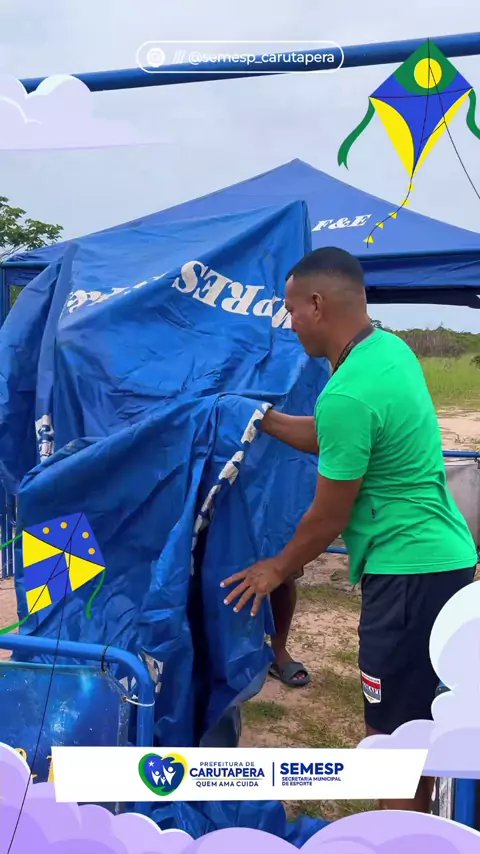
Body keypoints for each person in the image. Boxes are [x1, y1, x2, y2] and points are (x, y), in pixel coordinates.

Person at [221, 246, 478, 813]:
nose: (290, 323)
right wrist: (263, 417)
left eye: (292, 310)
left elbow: (329, 517)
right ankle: (427, 826)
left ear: (317, 305)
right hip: (444, 559)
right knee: (420, 721)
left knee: (392, 740)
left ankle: (402, 838)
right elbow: (335, 436)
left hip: (407, 572)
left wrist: (276, 569)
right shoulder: (388, 350)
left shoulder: (348, 392)